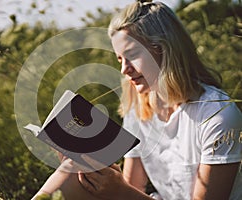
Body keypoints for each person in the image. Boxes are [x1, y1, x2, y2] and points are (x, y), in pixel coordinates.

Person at [32, 1, 242, 199]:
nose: (124, 69)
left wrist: (120, 190)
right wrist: (101, 175)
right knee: (71, 171)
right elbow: (133, 186)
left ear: (163, 48)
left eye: (132, 55)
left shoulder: (218, 116)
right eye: (120, 59)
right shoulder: (139, 108)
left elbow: (127, 193)